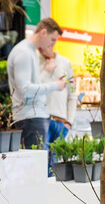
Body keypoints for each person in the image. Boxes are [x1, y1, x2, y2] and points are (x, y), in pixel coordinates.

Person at [7, 18, 67, 150]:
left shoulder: (29, 51)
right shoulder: (24, 52)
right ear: (43, 32)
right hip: (31, 118)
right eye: (52, 39)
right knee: (34, 166)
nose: (53, 45)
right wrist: (55, 85)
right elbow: (25, 90)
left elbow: (30, 87)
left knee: (37, 164)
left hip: (33, 117)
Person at [41, 46, 76, 145]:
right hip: (41, 122)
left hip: (60, 123)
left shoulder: (65, 63)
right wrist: (46, 71)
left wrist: (69, 122)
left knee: (56, 159)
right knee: (41, 158)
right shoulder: (35, 61)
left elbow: (72, 95)